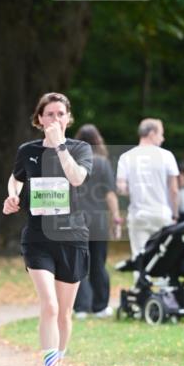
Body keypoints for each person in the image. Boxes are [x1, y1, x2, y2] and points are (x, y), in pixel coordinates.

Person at [3, 92, 92, 366]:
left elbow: (77, 178)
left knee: (64, 313)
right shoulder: (27, 150)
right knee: (50, 306)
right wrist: (13, 195)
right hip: (38, 237)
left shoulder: (80, 149)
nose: (55, 119)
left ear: (69, 118)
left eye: (60, 114)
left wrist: (60, 146)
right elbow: (15, 179)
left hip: (72, 237)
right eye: (49, 114)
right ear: (39, 119)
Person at [72, 124, 122, 318]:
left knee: (79, 264)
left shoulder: (71, 163)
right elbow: (110, 194)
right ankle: (100, 306)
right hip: (99, 220)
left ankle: (81, 307)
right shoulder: (102, 163)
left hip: (76, 219)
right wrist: (116, 218)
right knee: (98, 264)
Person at [116, 118, 179, 260]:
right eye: (161, 134)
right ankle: (164, 282)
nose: (163, 138)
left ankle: (140, 281)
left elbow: (121, 188)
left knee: (139, 257)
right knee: (164, 257)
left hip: (139, 215)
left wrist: (134, 191)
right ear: (151, 133)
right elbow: (174, 190)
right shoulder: (167, 156)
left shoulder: (126, 157)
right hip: (162, 214)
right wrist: (175, 214)